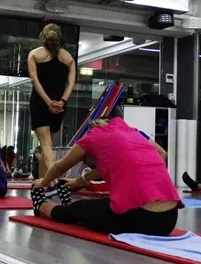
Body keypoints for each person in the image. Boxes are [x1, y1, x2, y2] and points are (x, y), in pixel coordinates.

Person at [31, 117, 181, 236]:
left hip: (141, 218)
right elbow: (162, 154)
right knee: (102, 206)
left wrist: (43, 183)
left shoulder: (91, 137)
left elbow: (59, 166)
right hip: (169, 219)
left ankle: (42, 207)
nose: (94, 169)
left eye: (92, 166)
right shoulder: (132, 132)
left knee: (79, 209)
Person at [28, 23, 76, 182]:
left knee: (46, 145)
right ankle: (43, 180)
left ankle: (54, 180)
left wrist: (48, 102)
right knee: (47, 145)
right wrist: (62, 102)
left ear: (43, 37)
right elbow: (71, 83)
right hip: (59, 104)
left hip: (41, 102)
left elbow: (35, 80)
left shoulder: (35, 54)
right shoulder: (68, 58)